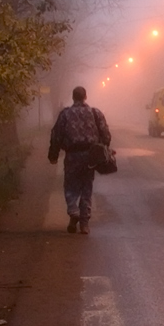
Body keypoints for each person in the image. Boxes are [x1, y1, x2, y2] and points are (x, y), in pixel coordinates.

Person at [48, 86, 111, 234]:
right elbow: (106, 135)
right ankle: (84, 223)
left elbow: (56, 135)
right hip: (90, 157)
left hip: (72, 156)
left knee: (70, 186)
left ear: (73, 97)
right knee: (86, 188)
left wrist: (53, 155)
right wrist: (103, 149)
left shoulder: (65, 114)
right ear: (85, 97)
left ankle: (73, 210)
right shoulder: (95, 113)